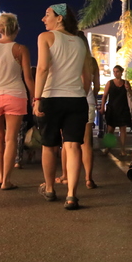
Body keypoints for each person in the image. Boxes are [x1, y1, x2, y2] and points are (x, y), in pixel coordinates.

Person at [34, 3, 90, 210]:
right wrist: (81, 93)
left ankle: (49, 189)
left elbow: (42, 68)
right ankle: (72, 196)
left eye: (47, 14)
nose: (43, 18)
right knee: (73, 146)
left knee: (49, 145)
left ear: (59, 18)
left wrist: (36, 99)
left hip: (51, 97)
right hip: (76, 99)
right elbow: (87, 75)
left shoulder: (45, 37)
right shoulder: (80, 42)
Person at [0, 12, 35, 190]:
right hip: (15, 95)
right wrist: (35, 98)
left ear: (0, 29)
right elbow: (28, 78)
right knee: (11, 138)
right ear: (16, 29)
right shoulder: (21, 49)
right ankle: (6, 181)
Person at [56, 49, 100, 189]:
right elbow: (97, 86)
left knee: (67, 141)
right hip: (89, 100)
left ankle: (65, 175)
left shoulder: (69, 57)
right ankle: (88, 178)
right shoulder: (92, 62)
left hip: (70, 99)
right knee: (87, 143)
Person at [100, 64, 132, 156]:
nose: (115, 73)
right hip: (112, 108)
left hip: (123, 108)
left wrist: (128, 89)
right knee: (110, 130)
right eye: (114, 72)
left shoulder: (126, 83)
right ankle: (108, 148)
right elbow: (104, 95)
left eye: (117, 71)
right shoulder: (110, 83)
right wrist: (102, 107)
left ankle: (122, 149)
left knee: (123, 129)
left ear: (121, 72)